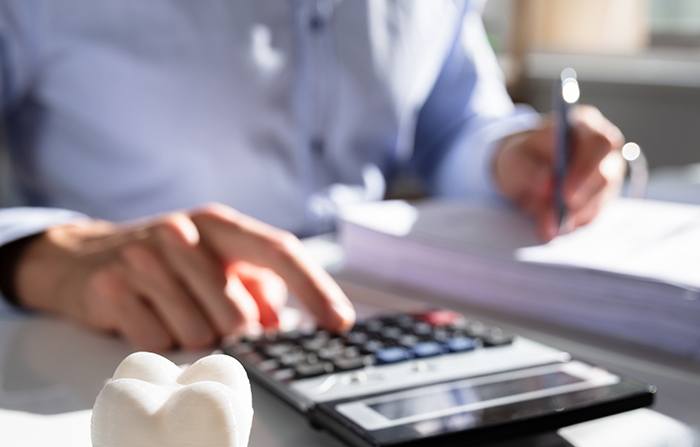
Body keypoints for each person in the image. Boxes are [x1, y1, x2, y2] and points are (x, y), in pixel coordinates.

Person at [0, 0, 624, 350]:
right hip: (119, 346)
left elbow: (451, 127)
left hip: (382, 327)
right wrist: (38, 254)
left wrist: (510, 156)